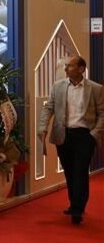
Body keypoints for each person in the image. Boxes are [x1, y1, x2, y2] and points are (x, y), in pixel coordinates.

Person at [37, 55, 104, 225]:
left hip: (85, 136)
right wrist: (42, 126)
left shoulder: (95, 89)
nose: (66, 69)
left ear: (81, 69)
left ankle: (78, 209)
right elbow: (49, 108)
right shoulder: (58, 86)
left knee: (80, 171)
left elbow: (102, 113)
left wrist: (94, 134)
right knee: (69, 171)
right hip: (64, 135)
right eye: (65, 66)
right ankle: (74, 203)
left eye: (70, 66)